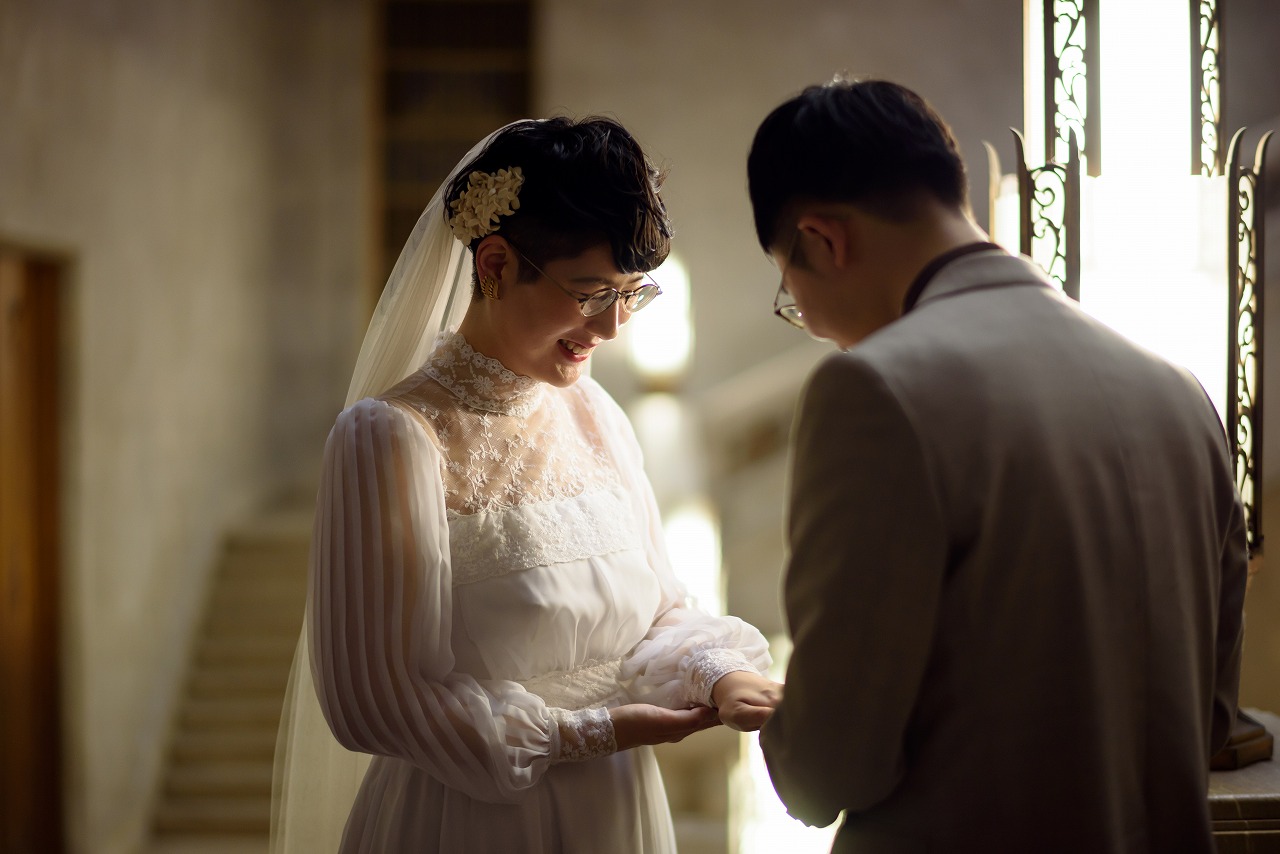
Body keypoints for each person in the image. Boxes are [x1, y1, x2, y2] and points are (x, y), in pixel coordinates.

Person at [748, 79, 1248, 853]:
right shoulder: (1179, 390)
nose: (809, 323)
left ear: (823, 240)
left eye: (793, 293)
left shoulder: (875, 390)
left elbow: (828, 770)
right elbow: (1212, 719)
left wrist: (782, 714)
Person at [270, 117, 781, 853]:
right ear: (497, 264)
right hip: (469, 820)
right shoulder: (388, 437)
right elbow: (373, 703)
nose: (611, 328)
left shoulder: (597, 415)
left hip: (617, 812)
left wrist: (719, 672)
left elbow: (661, 609)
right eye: (590, 292)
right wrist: (592, 732)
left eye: (634, 294)